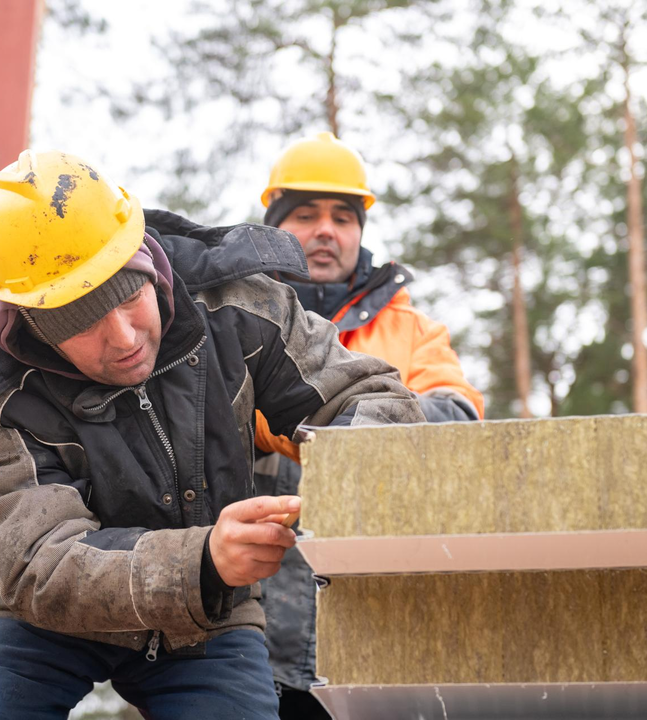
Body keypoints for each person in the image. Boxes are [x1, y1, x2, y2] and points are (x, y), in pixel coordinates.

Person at [0, 149, 424, 720]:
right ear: (30, 321)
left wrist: (338, 490)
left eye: (128, 297)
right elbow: (41, 564)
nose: (123, 338)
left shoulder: (237, 303)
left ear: (144, 254)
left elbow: (371, 398)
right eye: (82, 322)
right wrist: (203, 559)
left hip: (210, 610)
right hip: (33, 616)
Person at [252, 132, 485, 718]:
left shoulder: (414, 330)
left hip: (384, 632)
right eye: (305, 214)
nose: (326, 230)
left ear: (360, 230)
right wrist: (364, 430)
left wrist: (338, 431)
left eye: (342, 216)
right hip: (250, 636)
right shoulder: (235, 320)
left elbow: (457, 417)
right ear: (274, 225)